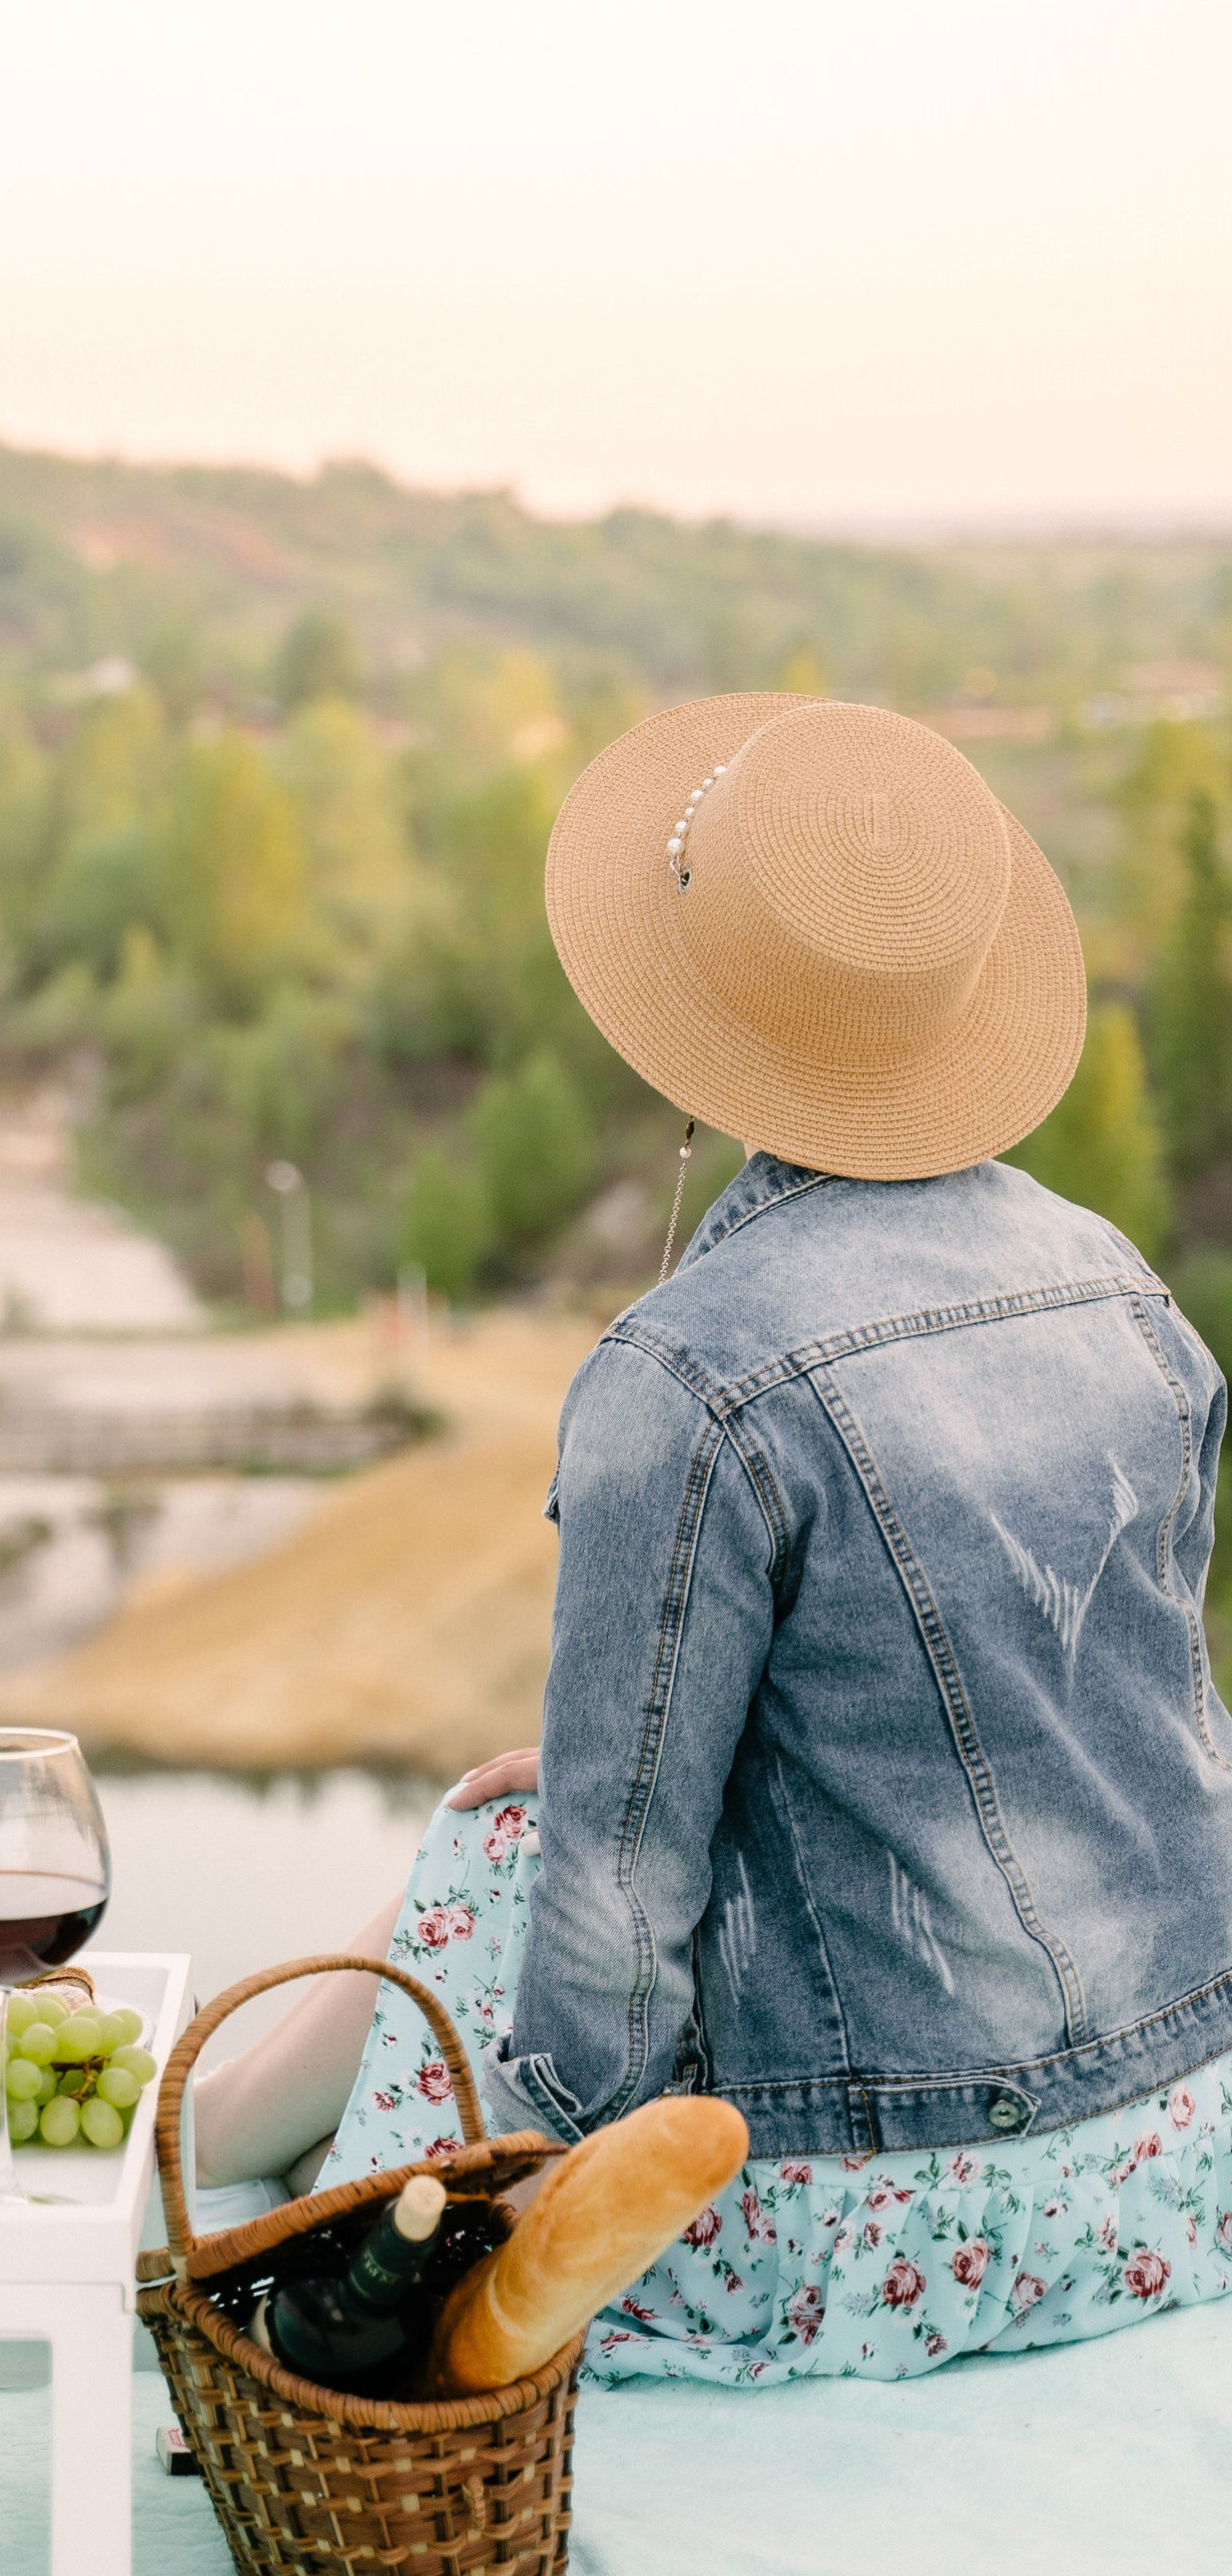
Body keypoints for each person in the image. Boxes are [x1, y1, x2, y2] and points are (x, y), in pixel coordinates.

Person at [195, 694, 1232, 2381]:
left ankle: (209, 2183)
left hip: (890, 2228)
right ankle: (213, 2133)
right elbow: (1100, 1729)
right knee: (535, 1816)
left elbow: (610, 1950)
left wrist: (509, 2197)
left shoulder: (686, 1375)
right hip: (1180, 2165)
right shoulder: (1124, 1286)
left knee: (494, 1862)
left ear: (698, 1026)